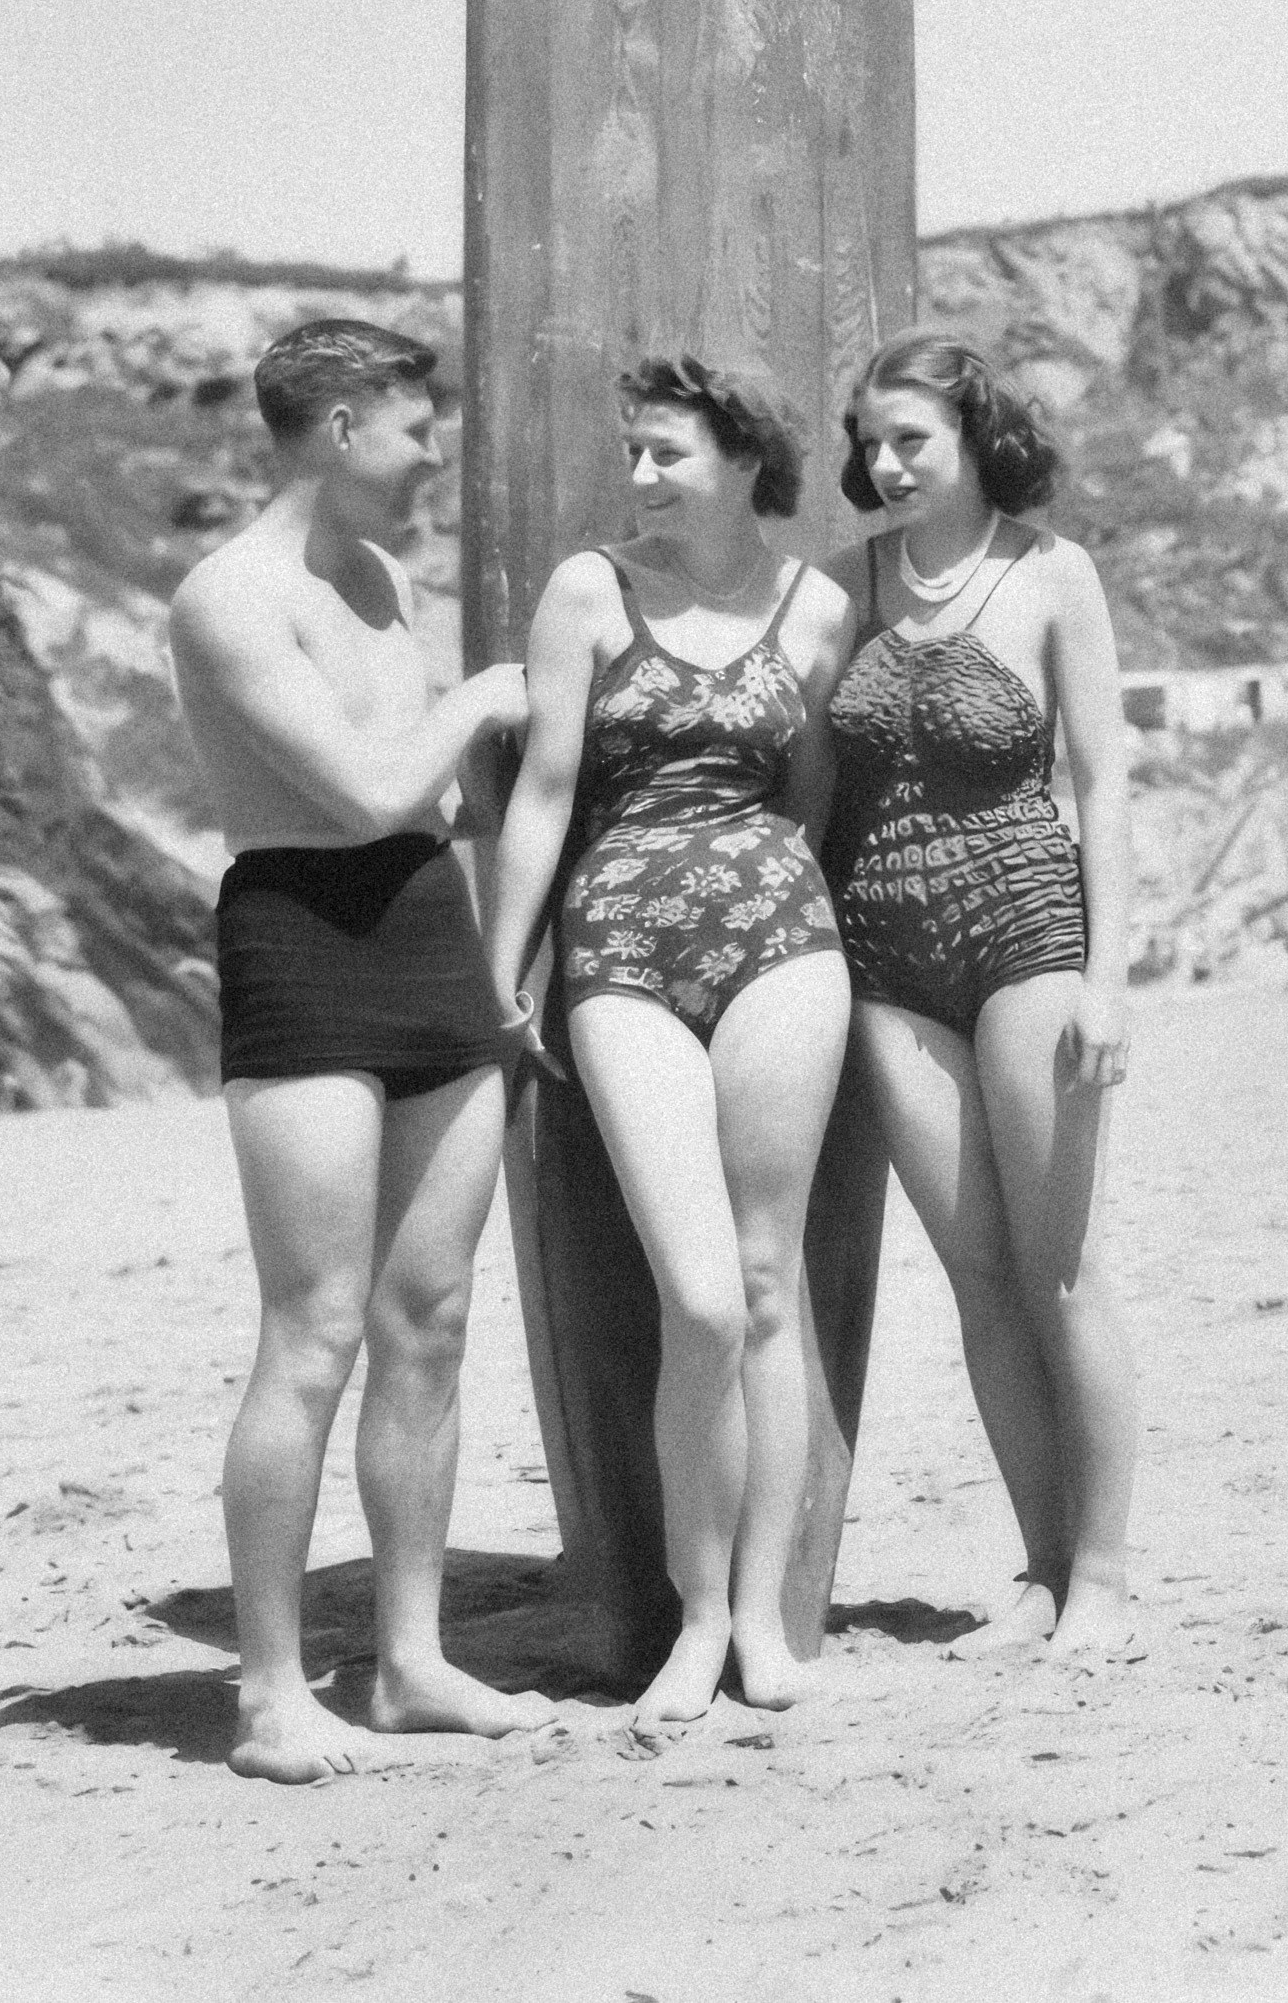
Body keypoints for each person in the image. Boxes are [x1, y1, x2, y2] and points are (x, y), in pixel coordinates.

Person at [168, 317, 552, 1783]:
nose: (432, 456)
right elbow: (369, 789)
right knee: (315, 1328)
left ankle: (408, 1660)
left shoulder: (381, 579)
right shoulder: (230, 597)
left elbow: (425, 814)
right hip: (303, 944)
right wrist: (484, 696)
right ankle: (270, 1691)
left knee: (430, 1315)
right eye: (412, 430)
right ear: (337, 431)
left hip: (426, 940)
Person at [483, 356, 855, 1727]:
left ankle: (758, 1621)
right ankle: (695, 1617)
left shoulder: (814, 607)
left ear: (746, 459)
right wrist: (503, 967)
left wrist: (770, 904)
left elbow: (807, 792)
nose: (637, 478)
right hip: (622, 947)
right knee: (696, 1297)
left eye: (665, 456)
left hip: (781, 939)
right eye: (632, 453)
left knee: (768, 1285)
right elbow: (547, 789)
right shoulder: (592, 589)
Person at [824, 330, 1139, 1658]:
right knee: (979, 1282)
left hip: (1025, 927)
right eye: (870, 442)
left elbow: (1104, 775)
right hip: (885, 953)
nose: (885, 464)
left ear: (973, 440)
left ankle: (1108, 1583)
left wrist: (1109, 978)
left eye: (912, 440)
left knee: (1057, 1270)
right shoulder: (847, 588)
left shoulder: (1050, 574)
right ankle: (1039, 1568)